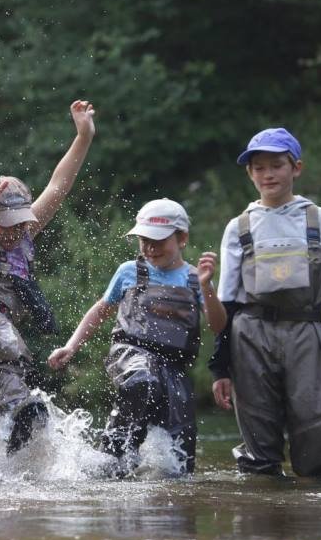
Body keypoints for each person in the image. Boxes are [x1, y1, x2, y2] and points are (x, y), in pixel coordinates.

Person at [208, 128, 321, 480]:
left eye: (277, 165)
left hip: (307, 331)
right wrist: (219, 367)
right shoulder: (238, 227)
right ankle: (263, 513)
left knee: (315, 431)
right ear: (250, 174)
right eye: (259, 167)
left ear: (296, 168)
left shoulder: (320, 220)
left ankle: (316, 509)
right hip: (249, 335)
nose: (268, 174)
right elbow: (227, 302)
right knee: (258, 445)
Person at [48, 199, 227, 475]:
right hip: (129, 353)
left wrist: (207, 288)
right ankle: (111, 454)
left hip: (174, 367)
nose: (150, 248)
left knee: (180, 456)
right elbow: (100, 311)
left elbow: (218, 324)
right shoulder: (129, 271)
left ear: (182, 239)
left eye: (158, 241)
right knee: (143, 379)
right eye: (144, 240)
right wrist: (71, 347)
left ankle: (150, 479)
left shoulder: (195, 279)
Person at [0, 100, 95, 453]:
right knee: (5, 341)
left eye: (19, 222)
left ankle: (5, 450)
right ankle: (22, 406)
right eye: (6, 224)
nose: (14, 231)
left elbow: (59, 186)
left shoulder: (26, 232)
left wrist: (83, 136)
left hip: (2, 331)